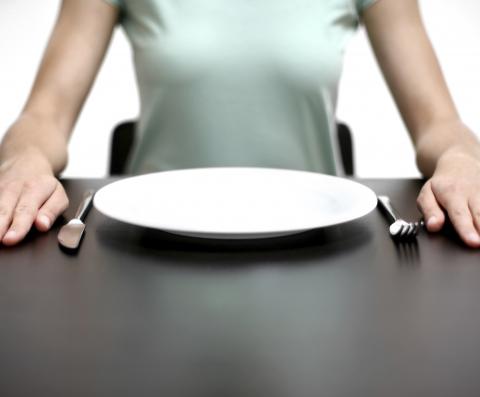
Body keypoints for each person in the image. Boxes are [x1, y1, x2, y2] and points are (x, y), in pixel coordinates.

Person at [1, 0, 480, 247]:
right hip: (151, 248)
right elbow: (45, 115)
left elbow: (439, 123)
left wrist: (460, 157)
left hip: (317, 250)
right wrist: (25, 157)